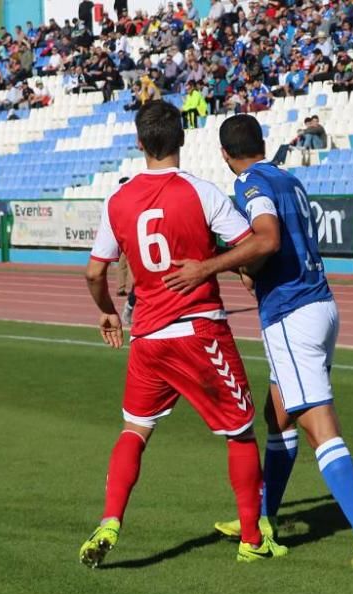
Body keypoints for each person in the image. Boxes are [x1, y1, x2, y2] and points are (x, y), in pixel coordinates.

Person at [163, 114, 353, 569]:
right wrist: (250, 270)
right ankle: (262, 518)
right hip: (321, 304)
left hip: (291, 313)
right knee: (278, 414)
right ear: (263, 143)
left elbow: (267, 239)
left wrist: (208, 267)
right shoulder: (290, 178)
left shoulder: (249, 184)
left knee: (317, 422)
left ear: (226, 155)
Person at [79, 101, 288, 567]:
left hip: (147, 337)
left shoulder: (119, 199)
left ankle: (111, 519)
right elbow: (251, 245)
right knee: (239, 431)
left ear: (139, 143)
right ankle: (252, 538)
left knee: (136, 428)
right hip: (198, 332)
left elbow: (95, 272)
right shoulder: (201, 192)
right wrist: (241, 272)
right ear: (183, 139)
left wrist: (108, 312)